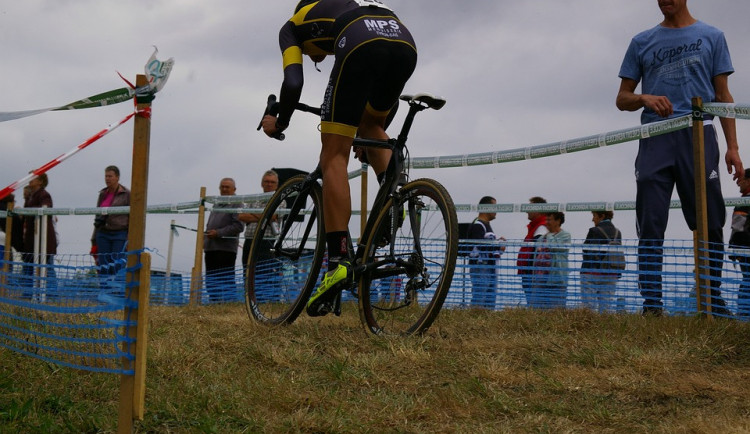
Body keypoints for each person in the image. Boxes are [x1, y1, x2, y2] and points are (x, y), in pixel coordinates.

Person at [261, 0, 418, 317]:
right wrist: (372, 132)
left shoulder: (292, 27)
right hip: (404, 41)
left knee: (334, 153)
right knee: (371, 125)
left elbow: (293, 82)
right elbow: (381, 106)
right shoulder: (345, 6)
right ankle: (394, 199)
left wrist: (280, 121)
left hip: (359, 41)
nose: (313, 57)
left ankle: (337, 262)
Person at [616, 0, 742, 317]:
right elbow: (622, 98)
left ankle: (711, 298)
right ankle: (652, 305)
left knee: (710, 221)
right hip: (655, 138)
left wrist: (734, 147)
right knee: (650, 223)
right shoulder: (641, 42)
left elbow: (724, 95)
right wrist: (643, 97)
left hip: (699, 133)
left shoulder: (713, 36)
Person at [204, 178, 244, 303]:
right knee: (211, 279)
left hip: (226, 249)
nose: (225, 189)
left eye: (227, 187)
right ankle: (214, 302)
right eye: (222, 187)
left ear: (234, 189)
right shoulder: (217, 203)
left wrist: (218, 233)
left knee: (225, 278)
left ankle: (228, 304)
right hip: (211, 248)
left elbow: (238, 226)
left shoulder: (237, 203)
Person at [467, 196, 506, 309]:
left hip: (488, 267)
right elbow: (480, 246)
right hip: (480, 267)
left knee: (488, 301)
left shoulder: (485, 224)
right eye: (494, 207)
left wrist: (497, 244)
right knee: (479, 299)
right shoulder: (478, 225)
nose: (496, 211)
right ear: (486, 208)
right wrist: (498, 246)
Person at [581, 211, 623, 313]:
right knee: (606, 308)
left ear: (602, 216)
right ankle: (605, 328)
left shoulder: (594, 231)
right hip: (611, 273)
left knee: (588, 309)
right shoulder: (618, 233)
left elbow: (586, 250)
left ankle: (589, 328)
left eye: (594, 216)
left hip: (591, 273)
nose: (593, 219)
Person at [92, 165, 131, 275]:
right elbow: (97, 215)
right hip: (103, 233)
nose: (107, 179)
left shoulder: (127, 194)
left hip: (119, 233)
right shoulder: (102, 194)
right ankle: (104, 291)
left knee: (117, 265)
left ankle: (117, 291)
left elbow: (132, 216)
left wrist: (129, 237)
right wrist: (94, 238)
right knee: (103, 265)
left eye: (110, 176)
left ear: (117, 177)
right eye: (106, 176)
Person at [23, 174, 57, 297]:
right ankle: (29, 293)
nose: (29, 180)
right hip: (32, 239)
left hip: (44, 239)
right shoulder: (30, 196)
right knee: (31, 266)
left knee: (46, 267)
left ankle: (51, 294)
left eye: (33, 178)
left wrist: (29, 210)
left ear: (40, 181)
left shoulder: (44, 195)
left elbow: (45, 208)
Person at [239, 170, 279, 273]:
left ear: (277, 185)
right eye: (266, 181)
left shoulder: (280, 200)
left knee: (264, 275)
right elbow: (242, 216)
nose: (269, 184)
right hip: (249, 241)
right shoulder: (254, 199)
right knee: (247, 274)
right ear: (262, 183)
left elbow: (273, 217)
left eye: (272, 182)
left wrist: (252, 214)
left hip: (266, 242)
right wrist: (265, 215)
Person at [532, 212, 571, 309]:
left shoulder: (565, 235)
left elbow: (554, 246)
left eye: (549, 220)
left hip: (557, 280)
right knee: (536, 310)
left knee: (556, 312)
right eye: (546, 220)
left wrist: (549, 235)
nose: (546, 222)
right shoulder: (541, 238)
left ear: (558, 221)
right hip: (540, 280)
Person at [517, 196, 548, 308]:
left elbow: (538, 254)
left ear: (538, 210)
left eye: (529, 207)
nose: (526, 211)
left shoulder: (541, 228)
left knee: (535, 306)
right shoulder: (536, 227)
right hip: (530, 274)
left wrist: (529, 271)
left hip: (532, 275)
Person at [728, 168, 750, 317]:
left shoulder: (743, 202)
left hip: (746, 250)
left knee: (747, 281)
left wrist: (735, 249)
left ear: (748, 181)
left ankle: (743, 314)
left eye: (740, 179)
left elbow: (738, 229)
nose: (738, 183)